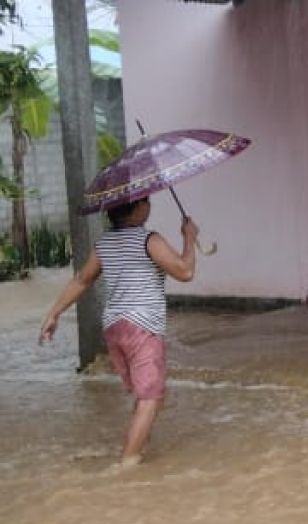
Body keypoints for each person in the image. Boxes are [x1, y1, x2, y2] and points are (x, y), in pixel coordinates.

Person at [39, 197, 199, 466]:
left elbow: (82, 279)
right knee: (151, 397)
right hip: (143, 327)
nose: (149, 204)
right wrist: (189, 238)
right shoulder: (149, 240)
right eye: (145, 200)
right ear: (138, 209)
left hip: (115, 327)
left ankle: (139, 445)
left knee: (145, 394)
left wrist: (54, 313)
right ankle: (128, 462)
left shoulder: (104, 243)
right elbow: (185, 272)